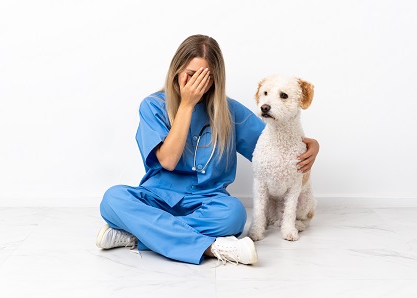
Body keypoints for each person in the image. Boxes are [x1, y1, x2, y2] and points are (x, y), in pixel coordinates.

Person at [96, 34, 319, 265]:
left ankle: (137, 233)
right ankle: (212, 248)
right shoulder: (153, 106)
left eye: (207, 78)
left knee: (233, 215)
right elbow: (168, 161)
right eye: (192, 76)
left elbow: (270, 143)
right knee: (113, 199)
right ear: (176, 70)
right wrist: (187, 104)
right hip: (158, 198)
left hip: (208, 204)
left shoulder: (229, 111)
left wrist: (313, 145)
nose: (198, 85)